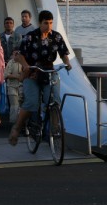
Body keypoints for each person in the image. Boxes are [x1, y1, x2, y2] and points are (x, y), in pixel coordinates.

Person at [8, 10, 71, 146]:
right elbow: (19, 55)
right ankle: (17, 128)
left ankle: (54, 128)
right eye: (45, 23)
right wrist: (25, 66)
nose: (48, 26)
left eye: (50, 23)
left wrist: (67, 64)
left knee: (55, 100)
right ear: (39, 23)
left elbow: (64, 53)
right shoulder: (30, 37)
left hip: (49, 71)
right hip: (33, 72)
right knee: (31, 103)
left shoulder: (56, 37)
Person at [3, 55, 23, 124]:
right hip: (12, 86)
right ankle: (14, 123)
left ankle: (22, 124)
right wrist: (17, 76)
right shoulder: (10, 63)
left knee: (22, 105)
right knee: (14, 105)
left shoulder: (23, 62)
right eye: (15, 54)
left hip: (21, 86)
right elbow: (6, 75)